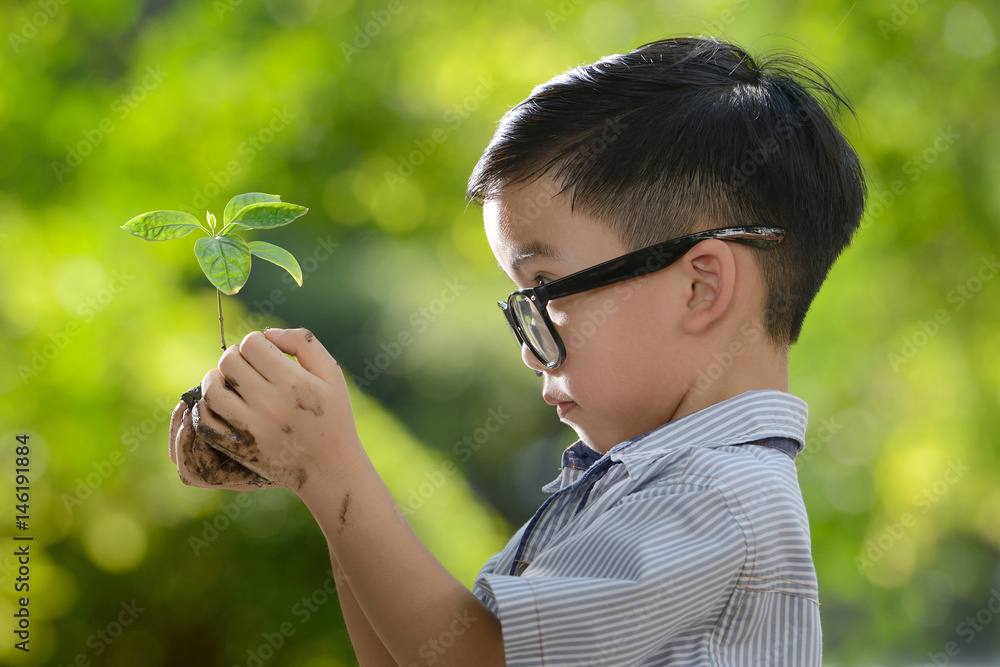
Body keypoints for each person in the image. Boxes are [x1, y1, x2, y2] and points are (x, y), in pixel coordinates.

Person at [168, 35, 866, 666]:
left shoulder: (716, 497)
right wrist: (312, 474)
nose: (532, 352)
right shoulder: (631, 482)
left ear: (699, 287)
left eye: (546, 290)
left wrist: (334, 469)